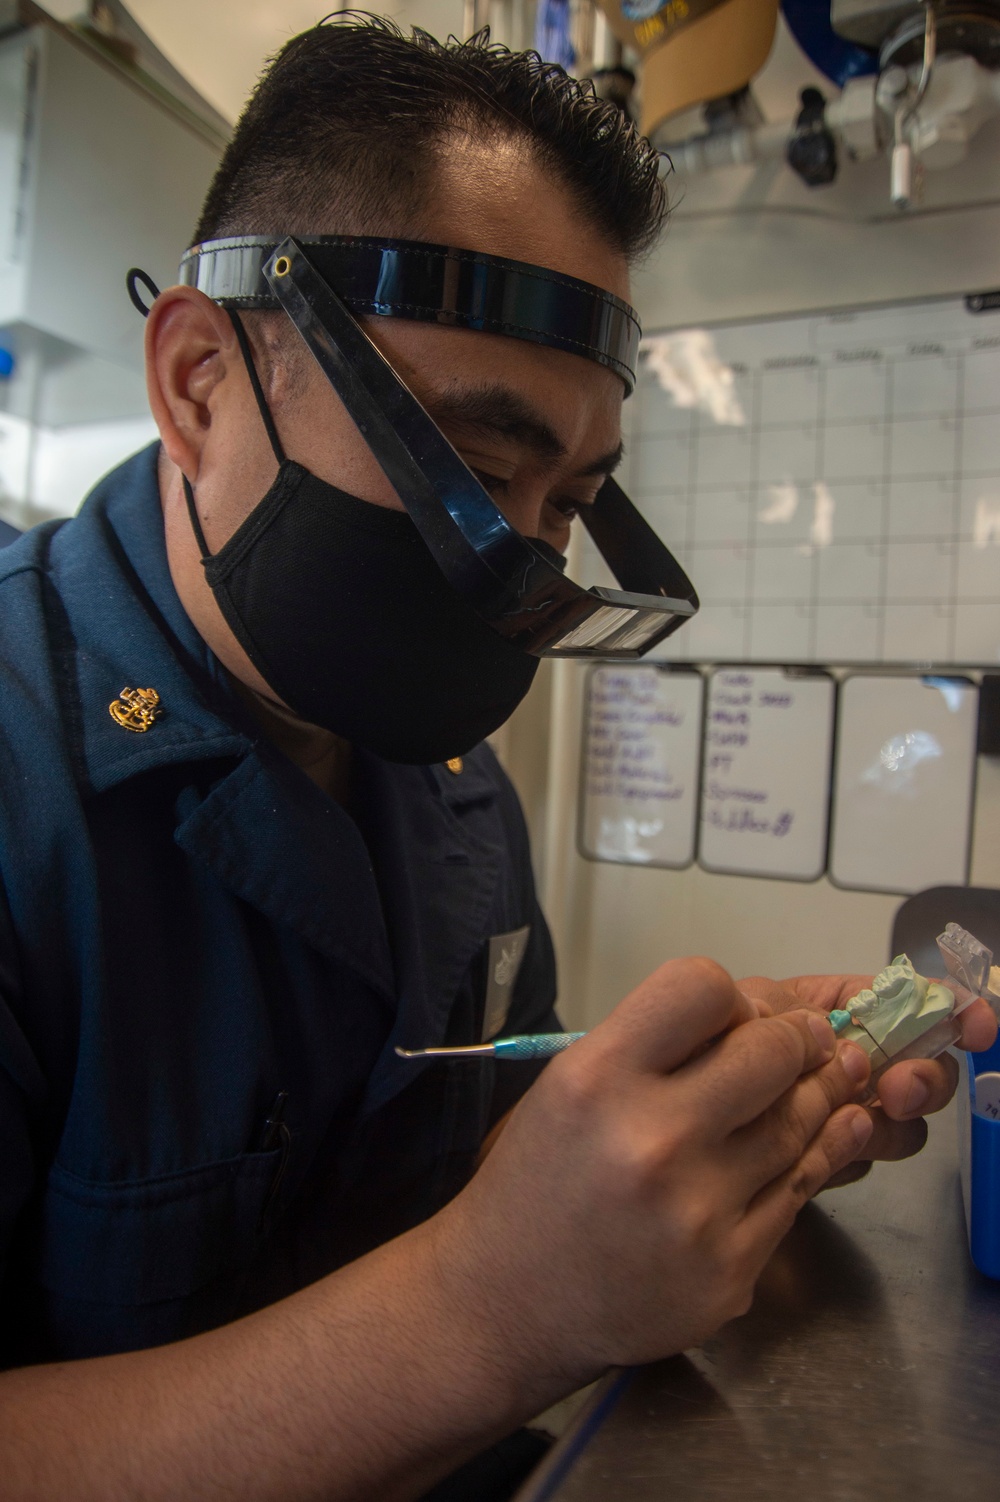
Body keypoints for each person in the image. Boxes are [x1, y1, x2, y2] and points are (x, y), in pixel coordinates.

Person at [0, 17, 993, 1500]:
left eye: (567, 501)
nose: (520, 569)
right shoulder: (28, 783)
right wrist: (490, 1309)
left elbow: (457, 1153)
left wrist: (678, 1144)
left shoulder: (450, 788)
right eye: (470, 472)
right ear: (202, 381)